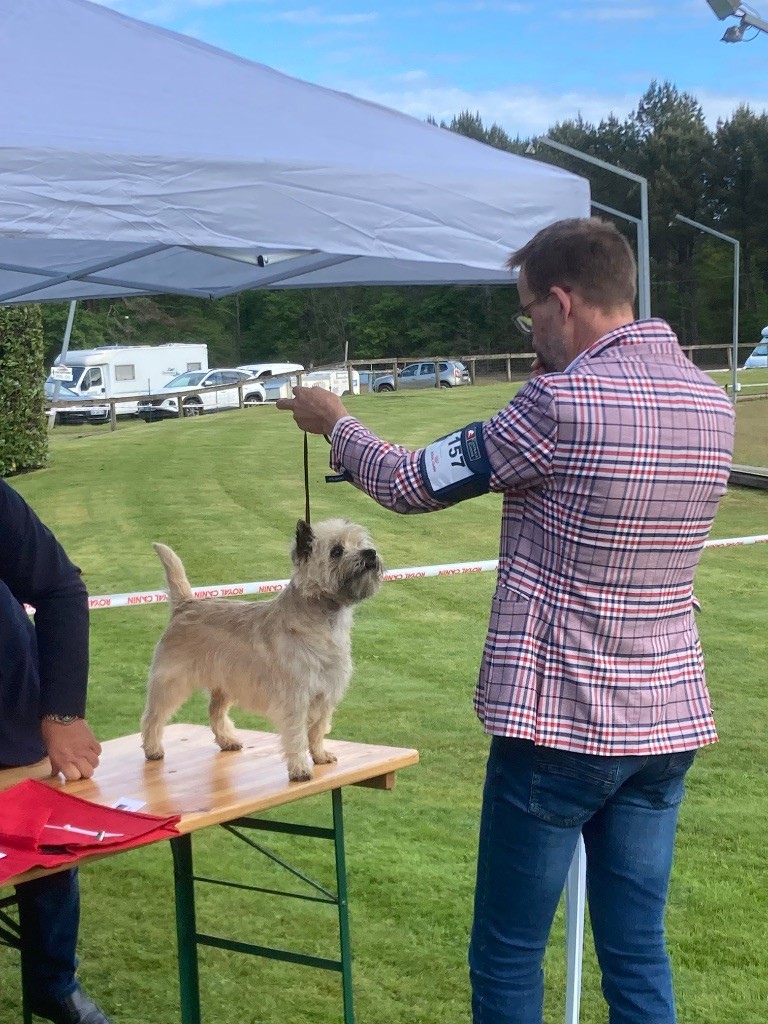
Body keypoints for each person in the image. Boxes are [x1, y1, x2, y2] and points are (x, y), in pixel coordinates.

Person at [276, 217, 735, 1024]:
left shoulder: (557, 403)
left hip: (559, 723)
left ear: (563, 301)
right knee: (637, 952)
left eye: (530, 316)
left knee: (508, 953)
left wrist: (336, 424)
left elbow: (415, 480)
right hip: (667, 723)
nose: (530, 334)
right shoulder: (709, 402)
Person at [0, 478, 113, 1024]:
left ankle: (54, 984)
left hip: (7, 705)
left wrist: (62, 715)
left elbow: (59, 588)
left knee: (38, 834)